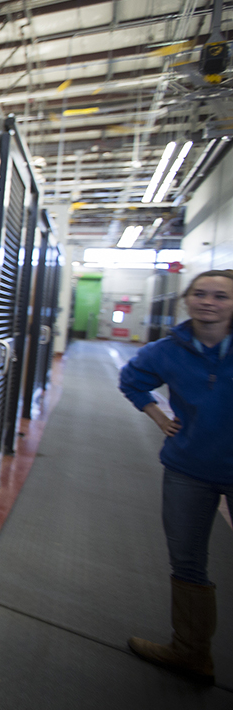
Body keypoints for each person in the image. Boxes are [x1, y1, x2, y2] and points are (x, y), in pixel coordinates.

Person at [119, 269, 233, 685]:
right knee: (187, 561)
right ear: (186, 300)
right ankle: (190, 652)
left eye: (221, 296)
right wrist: (158, 415)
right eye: (200, 294)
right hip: (188, 469)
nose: (209, 302)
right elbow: (131, 380)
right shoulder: (169, 350)